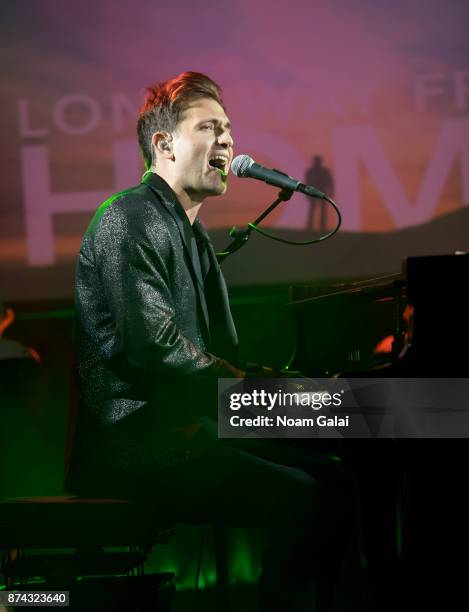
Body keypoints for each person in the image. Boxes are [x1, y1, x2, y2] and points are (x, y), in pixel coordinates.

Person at [65, 72, 356, 611]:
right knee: (307, 496)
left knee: (340, 476)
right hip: (139, 445)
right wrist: (250, 388)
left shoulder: (191, 232)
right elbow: (154, 346)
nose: (227, 142)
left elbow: (213, 358)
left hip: (191, 426)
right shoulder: (128, 217)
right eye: (209, 128)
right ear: (164, 143)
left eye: (228, 130)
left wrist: (291, 388)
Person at [305, 156, 334, 231]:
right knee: (312, 209)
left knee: (323, 210)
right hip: (313, 191)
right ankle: (310, 225)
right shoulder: (310, 171)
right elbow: (307, 182)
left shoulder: (325, 171)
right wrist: (306, 192)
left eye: (318, 161)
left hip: (322, 192)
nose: (317, 163)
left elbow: (330, 182)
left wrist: (331, 191)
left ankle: (322, 226)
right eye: (316, 161)